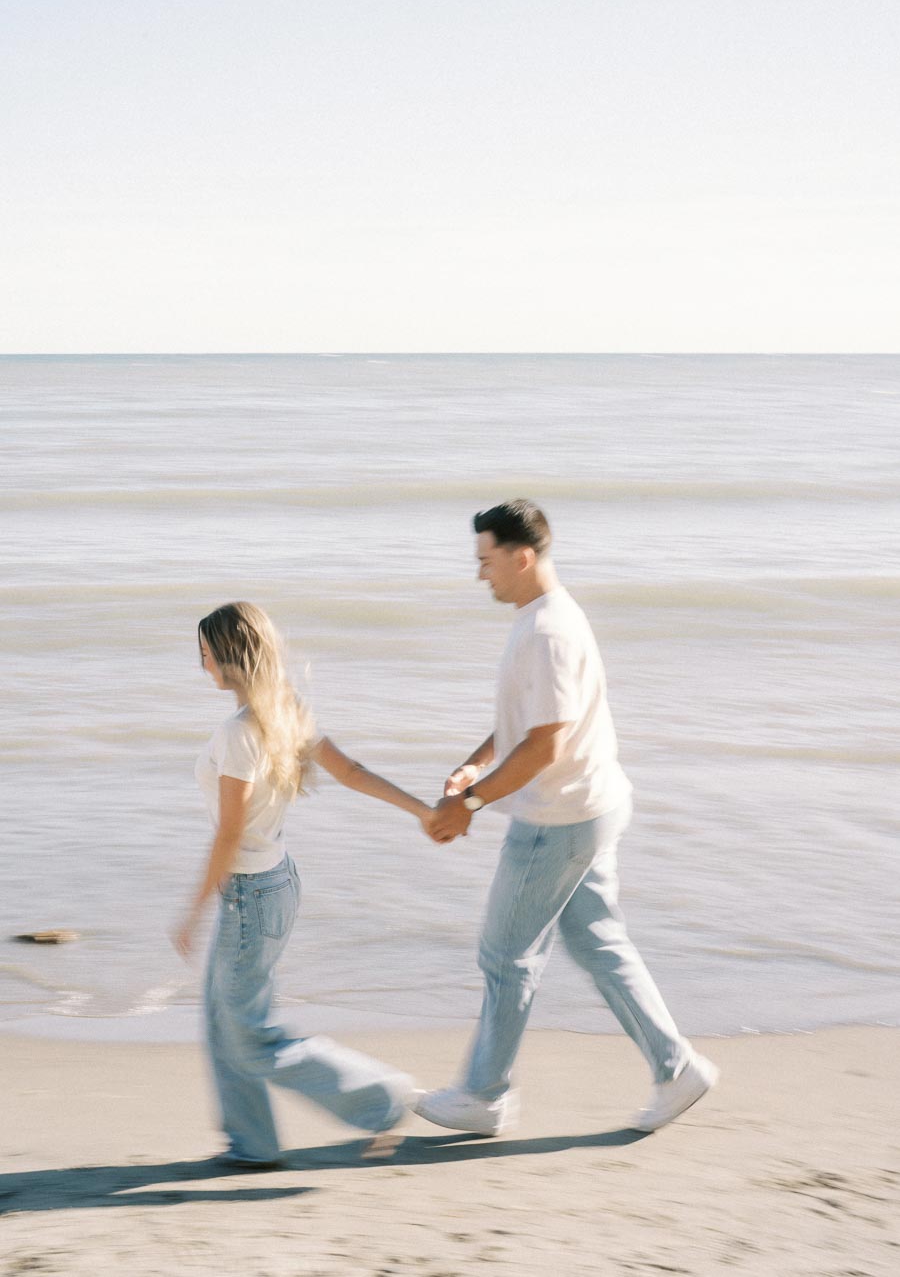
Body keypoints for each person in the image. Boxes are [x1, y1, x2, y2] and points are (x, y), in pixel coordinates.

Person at [416, 500, 718, 1136]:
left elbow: (544, 746)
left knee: (506, 956)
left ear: (522, 557)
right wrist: (474, 766)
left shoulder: (549, 631)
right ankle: (676, 1067)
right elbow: (524, 726)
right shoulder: (545, 618)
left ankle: (483, 1095)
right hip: (593, 805)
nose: (480, 576)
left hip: (558, 820)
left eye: (486, 561)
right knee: (599, 943)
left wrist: (468, 806)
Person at [174, 600, 432, 1167]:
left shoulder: (240, 733)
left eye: (205, 655)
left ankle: (381, 1097)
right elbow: (353, 773)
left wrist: (192, 912)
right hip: (277, 883)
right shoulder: (287, 712)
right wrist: (418, 809)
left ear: (230, 657)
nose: (202, 667)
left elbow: (229, 836)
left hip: (250, 896)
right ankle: (253, 1144)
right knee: (225, 1020)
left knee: (247, 1034)